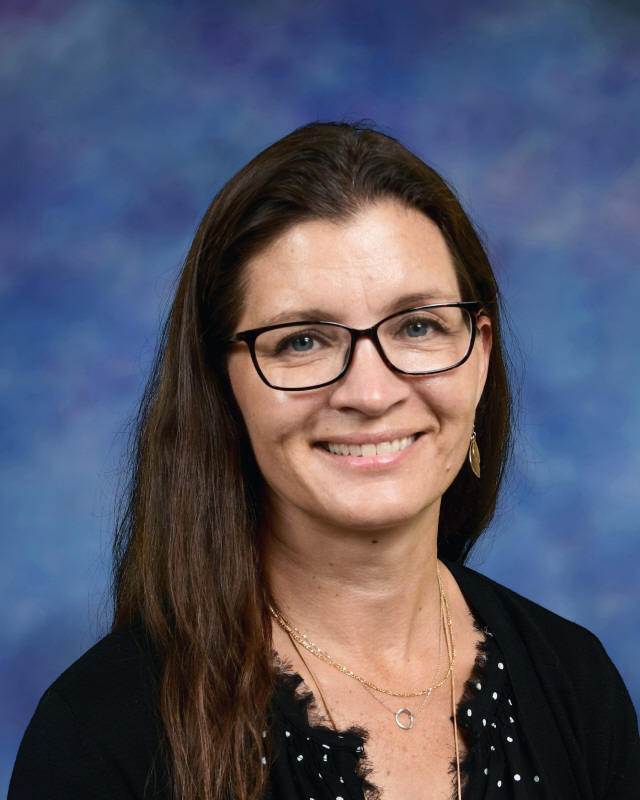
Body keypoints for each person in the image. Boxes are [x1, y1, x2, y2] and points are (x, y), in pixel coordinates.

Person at [9, 121, 639, 800]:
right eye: (303, 340)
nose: (370, 393)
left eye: (418, 326)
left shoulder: (577, 684)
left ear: (479, 356)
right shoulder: (102, 733)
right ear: (224, 386)